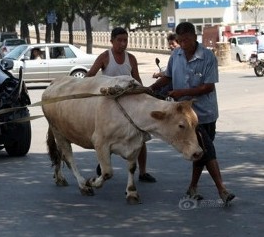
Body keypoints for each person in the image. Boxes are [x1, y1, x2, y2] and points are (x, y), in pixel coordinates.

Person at [149, 22, 235, 204]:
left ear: (194, 37)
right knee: (207, 150)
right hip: (187, 117)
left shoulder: (207, 56)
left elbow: (208, 86)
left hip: (206, 113)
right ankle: (222, 189)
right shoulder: (176, 55)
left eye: (186, 40)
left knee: (201, 152)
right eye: (180, 40)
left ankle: (193, 187)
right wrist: (152, 88)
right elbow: (168, 78)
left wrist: (182, 92)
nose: (183, 44)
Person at [86, 26, 156, 183]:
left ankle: (143, 172)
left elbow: (137, 80)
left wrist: (146, 94)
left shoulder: (131, 58)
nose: (123, 43)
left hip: (130, 104)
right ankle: (103, 165)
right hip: (109, 105)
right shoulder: (104, 57)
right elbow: (91, 75)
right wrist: (79, 84)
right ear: (112, 41)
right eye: (119, 40)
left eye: (125, 40)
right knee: (107, 138)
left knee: (141, 137)